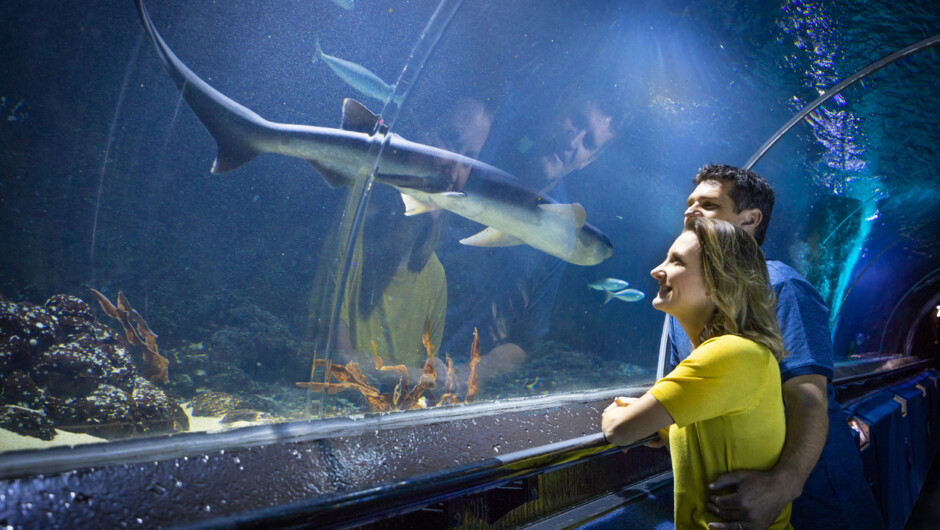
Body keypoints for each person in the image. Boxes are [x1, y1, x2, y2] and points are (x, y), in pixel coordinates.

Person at [664, 164, 883, 529]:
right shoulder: (678, 304)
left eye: (708, 204)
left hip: (814, 491)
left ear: (749, 219)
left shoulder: (781, 287)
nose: (690, 211)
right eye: (689, 203)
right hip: (731, 498)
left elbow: (807, 397)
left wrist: (783, 485)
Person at [602, 217, 792, 530]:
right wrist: (660, 427)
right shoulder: (739, 356)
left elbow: (620, 430)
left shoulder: (728, 354)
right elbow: (712, 432)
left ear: (718, 281)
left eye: (675, 261)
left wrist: (616, 412)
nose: (656, 270)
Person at [438, 85, 627, 380]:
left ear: (589, 160)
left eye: (588, 142)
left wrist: (462, 377)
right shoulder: (481, 148)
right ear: (559, 104)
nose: (572, 141)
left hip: (456, 375)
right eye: (576, 120)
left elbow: (524, 339)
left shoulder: (563, 232)